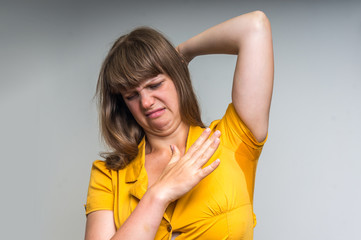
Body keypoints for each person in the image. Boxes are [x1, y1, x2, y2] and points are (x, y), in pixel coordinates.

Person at [85, 10, 274, 240]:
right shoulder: (108, 175)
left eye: (155, 85)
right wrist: (159, 194)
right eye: (131, 95)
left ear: (177, 78)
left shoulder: (233, 139)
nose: (145, 102)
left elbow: (255, 26)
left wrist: (183, 52)